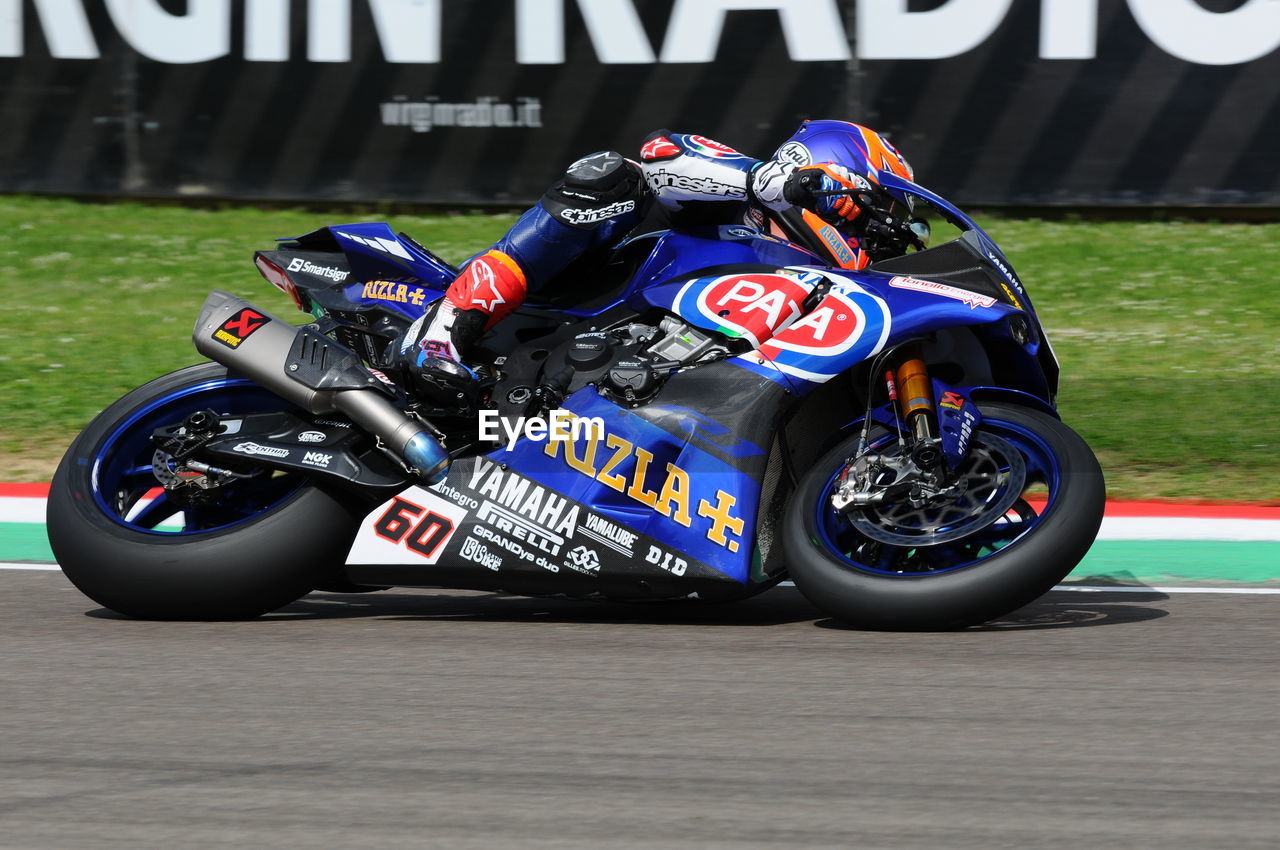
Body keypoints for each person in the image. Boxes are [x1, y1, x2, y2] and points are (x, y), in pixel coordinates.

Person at [398, 119, 918, 399]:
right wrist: (775, 184)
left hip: (646, 394)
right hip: (570, 315)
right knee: (610, 176)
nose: (882, 229)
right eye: (880, 208)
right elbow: (661, 153)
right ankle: (444, 330)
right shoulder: (739, 194)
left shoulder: (837, 288)